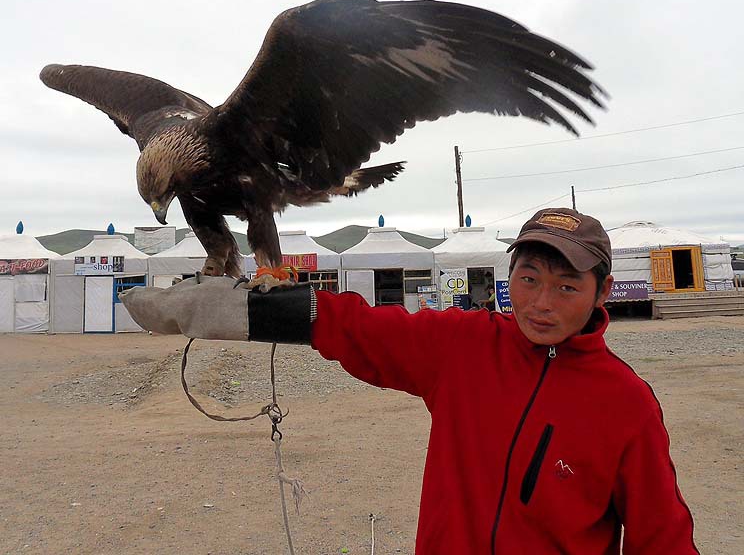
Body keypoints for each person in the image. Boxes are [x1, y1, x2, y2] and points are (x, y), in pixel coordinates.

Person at [122, 208, 698, 554]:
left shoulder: (625, 403)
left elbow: (662, 538)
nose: (541, 303)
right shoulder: (464, 346)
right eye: (528, 279)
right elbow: (361, 328)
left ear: (602, 292)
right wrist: (245, 311)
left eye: (567, 286)